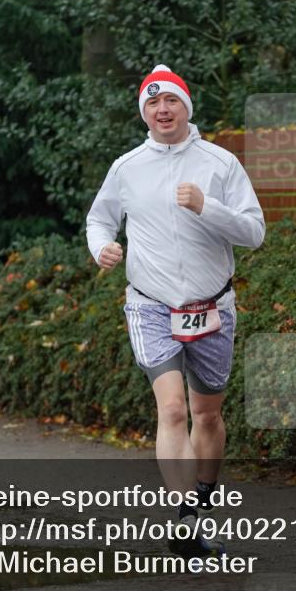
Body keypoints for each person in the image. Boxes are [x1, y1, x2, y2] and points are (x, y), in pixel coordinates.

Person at [86, 64, 265, 556]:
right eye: (152, 102)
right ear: (143, 112)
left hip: (213, 306)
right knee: (172, 408)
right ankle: (185, 520)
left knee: (206, 416)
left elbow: (255, 233)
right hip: (150, 306)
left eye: (171, 102)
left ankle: (201, 500)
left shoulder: (220, 163)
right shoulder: (126, 168)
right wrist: (101, 246)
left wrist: (208, 206)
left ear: (188, 107)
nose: (162, 110)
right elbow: (99, 219)